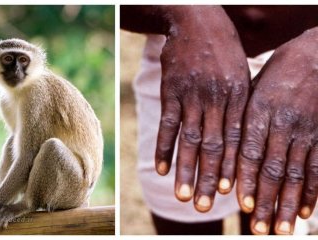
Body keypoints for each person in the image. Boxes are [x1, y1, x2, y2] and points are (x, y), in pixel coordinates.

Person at [121, 5, 318, 235]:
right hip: (188, 56)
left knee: (280, 219)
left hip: (307, 74)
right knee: (184, 217)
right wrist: (184, 11)